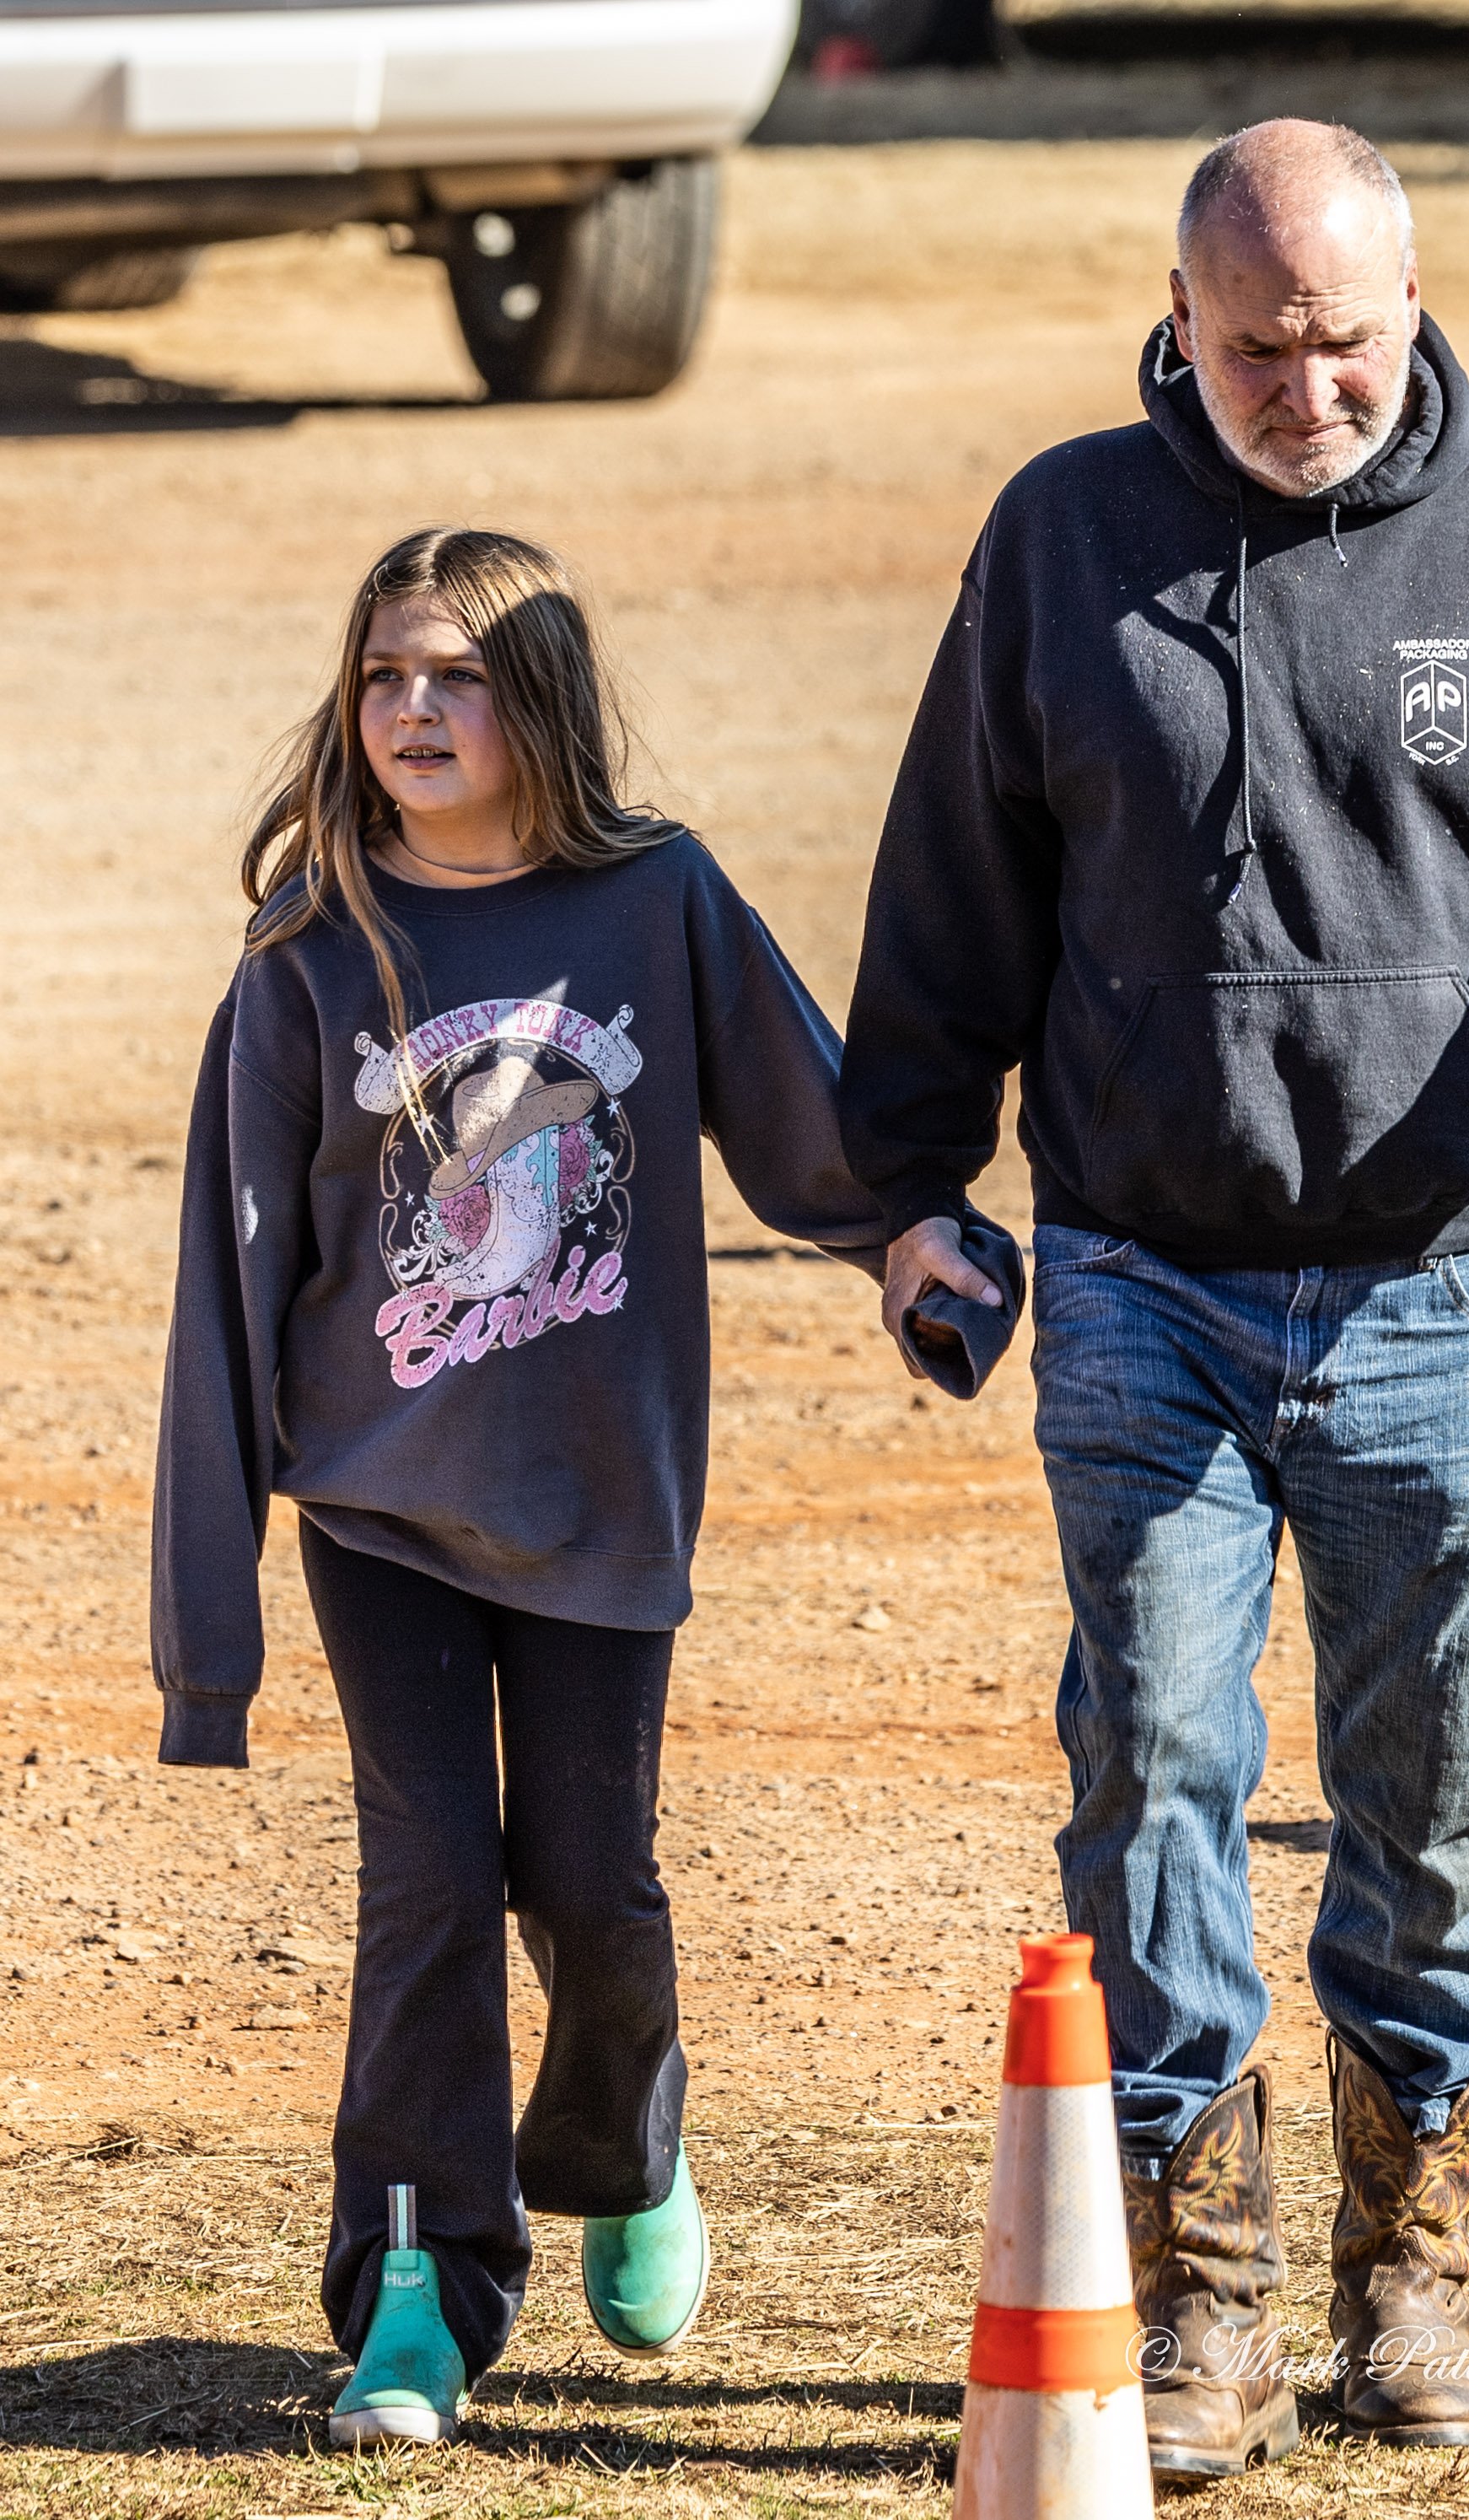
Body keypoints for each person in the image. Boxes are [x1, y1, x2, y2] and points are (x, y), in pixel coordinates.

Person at [838, 120, 1469, 2475]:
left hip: (1446, 1284)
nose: (1302, 384)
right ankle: (1209, 2303)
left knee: (1424, 1796)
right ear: (1176, 312)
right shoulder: (1065, 532)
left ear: (1411, 299)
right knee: (1149, 1763)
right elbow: (956, 870)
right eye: (1252, 344)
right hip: (1147, 1267)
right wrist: (908, 1187)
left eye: (1341, 338)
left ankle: (1414, 2274)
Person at [150, 527, 896, 2445]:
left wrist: (919, 1249)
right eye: (388, 673)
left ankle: (629, 2148)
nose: (414, 707)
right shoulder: (313, 956)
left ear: (535, 699)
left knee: (591, 1882)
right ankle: (415, 2290)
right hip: (380, 1506)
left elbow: (812, 1125)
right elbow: (228, 1300)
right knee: (427, 1886)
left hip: (598, 1503)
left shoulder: (655, 902)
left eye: (459, 675)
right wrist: (206, 1646)